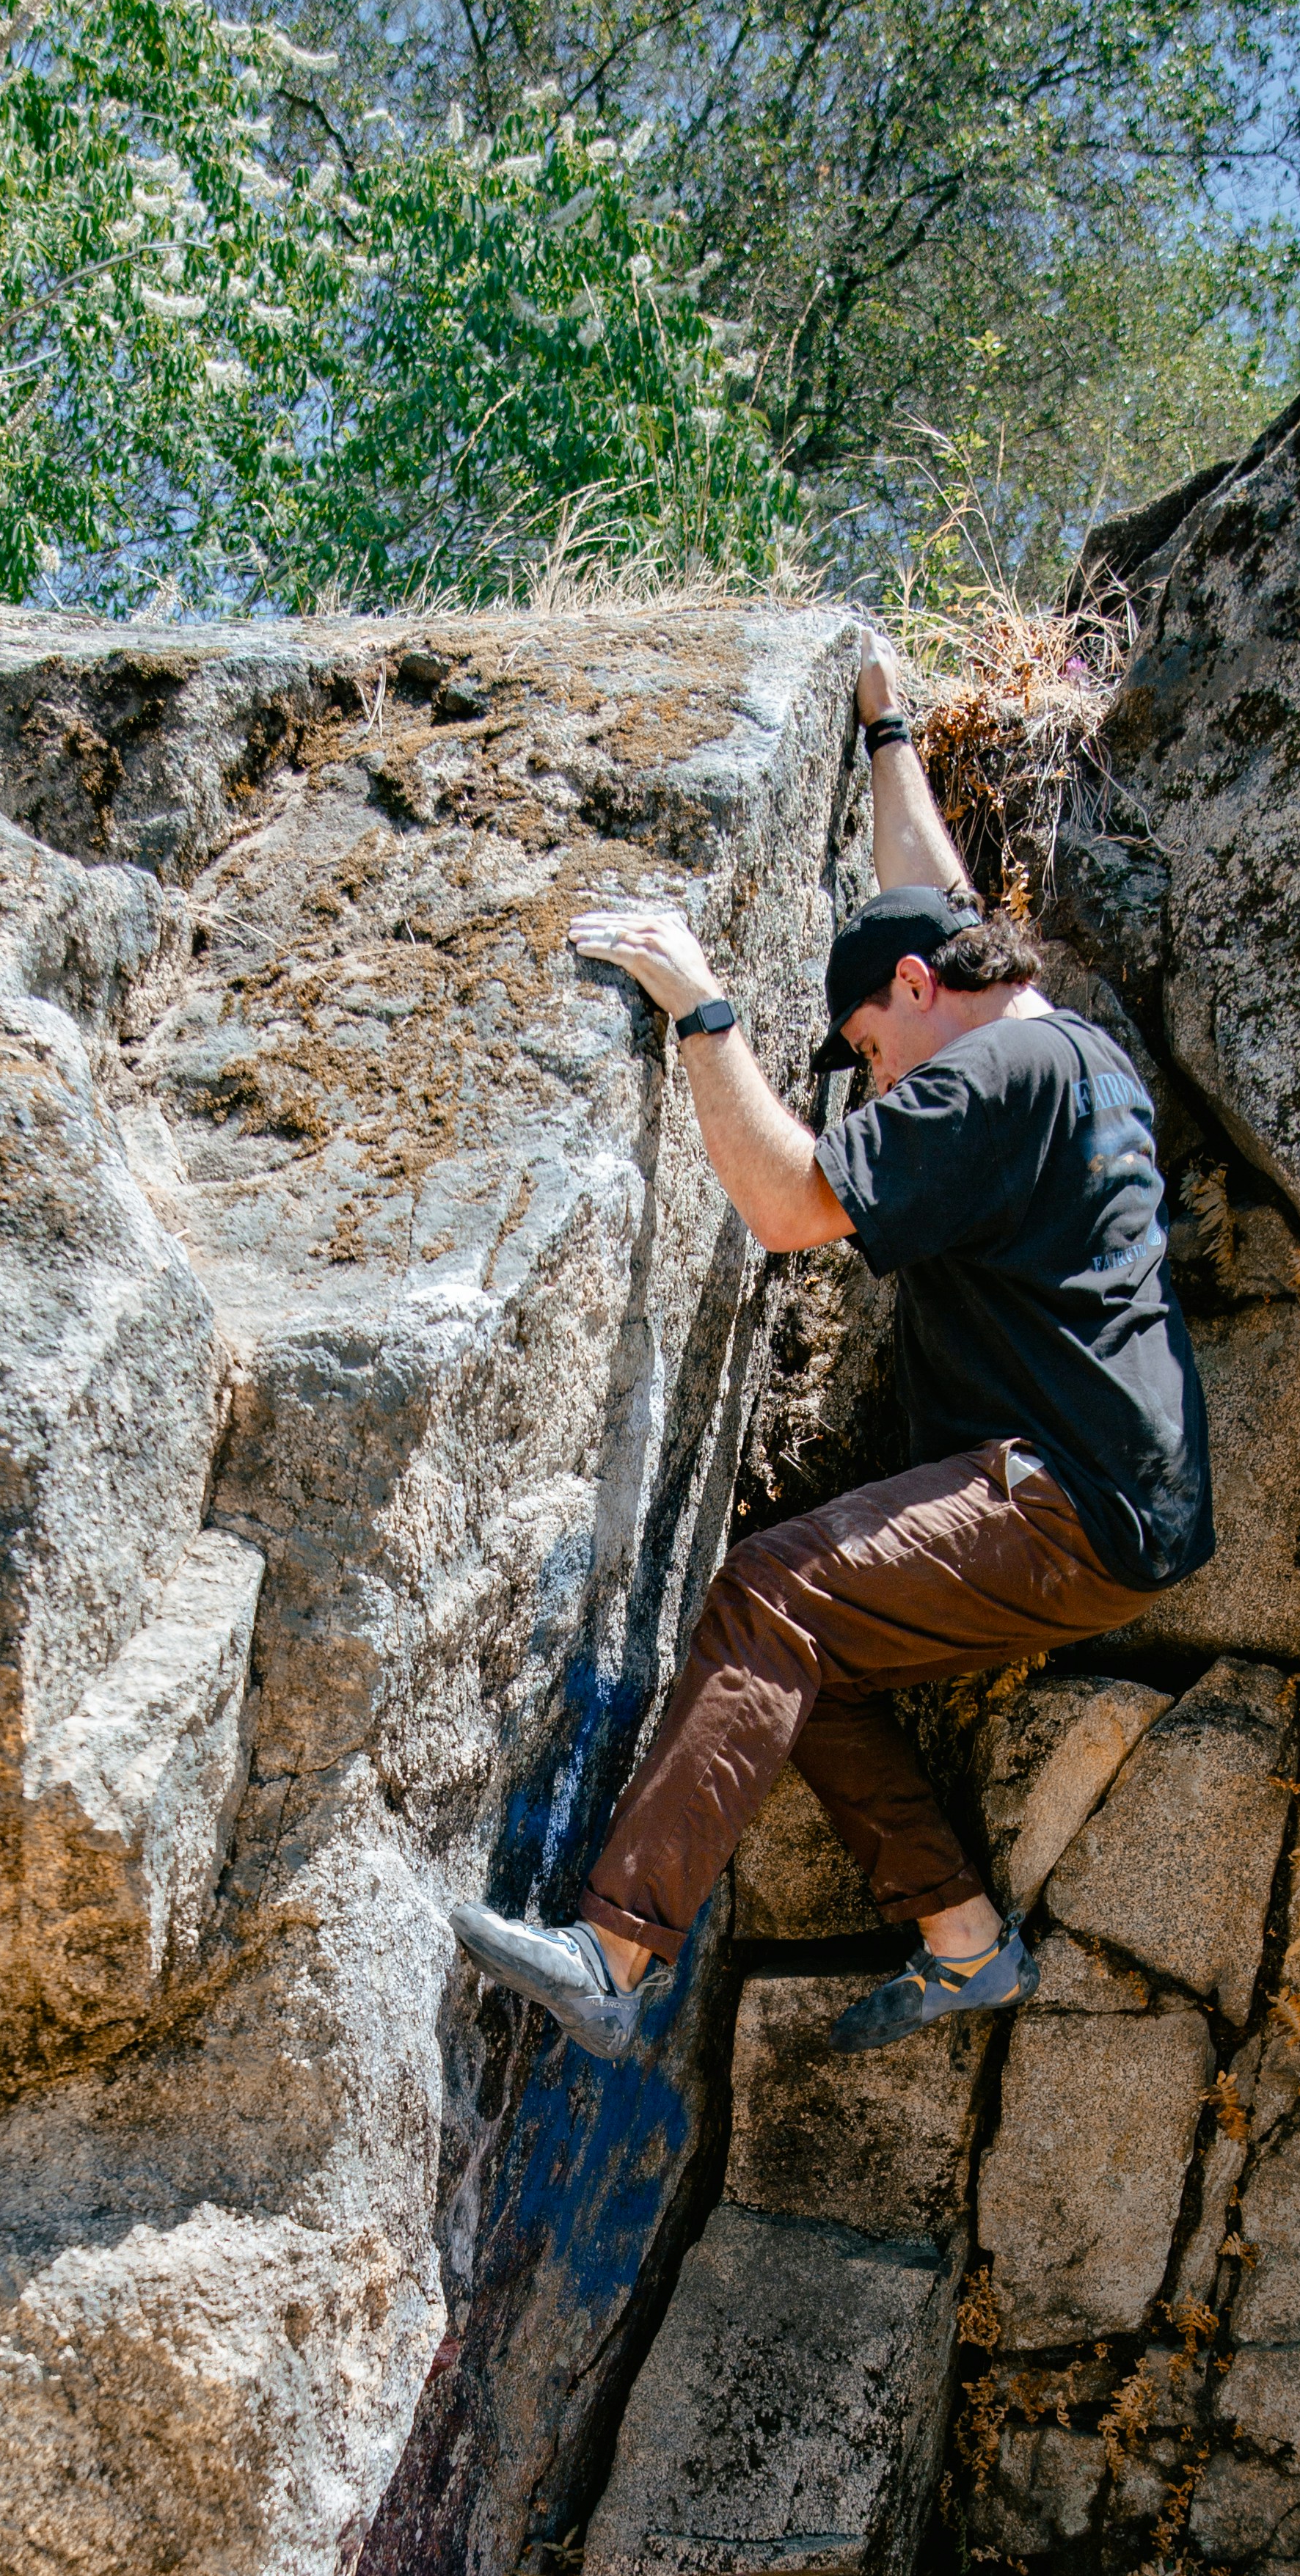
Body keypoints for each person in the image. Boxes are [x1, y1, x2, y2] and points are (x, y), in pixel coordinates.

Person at [453, 641, 1213, 2059]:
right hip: (1124, 1510)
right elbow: (928, 894)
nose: (876, 1079)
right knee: (818, 1663)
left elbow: (791, 1204)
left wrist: (703, 1012)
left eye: (866, 1049)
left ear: (923, 991)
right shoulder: (1069, 1049)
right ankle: (963, 1941)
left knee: (772, 1594)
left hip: (1061, 1497)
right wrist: (886, 726)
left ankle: (614, 1957)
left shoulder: (992, 1072)